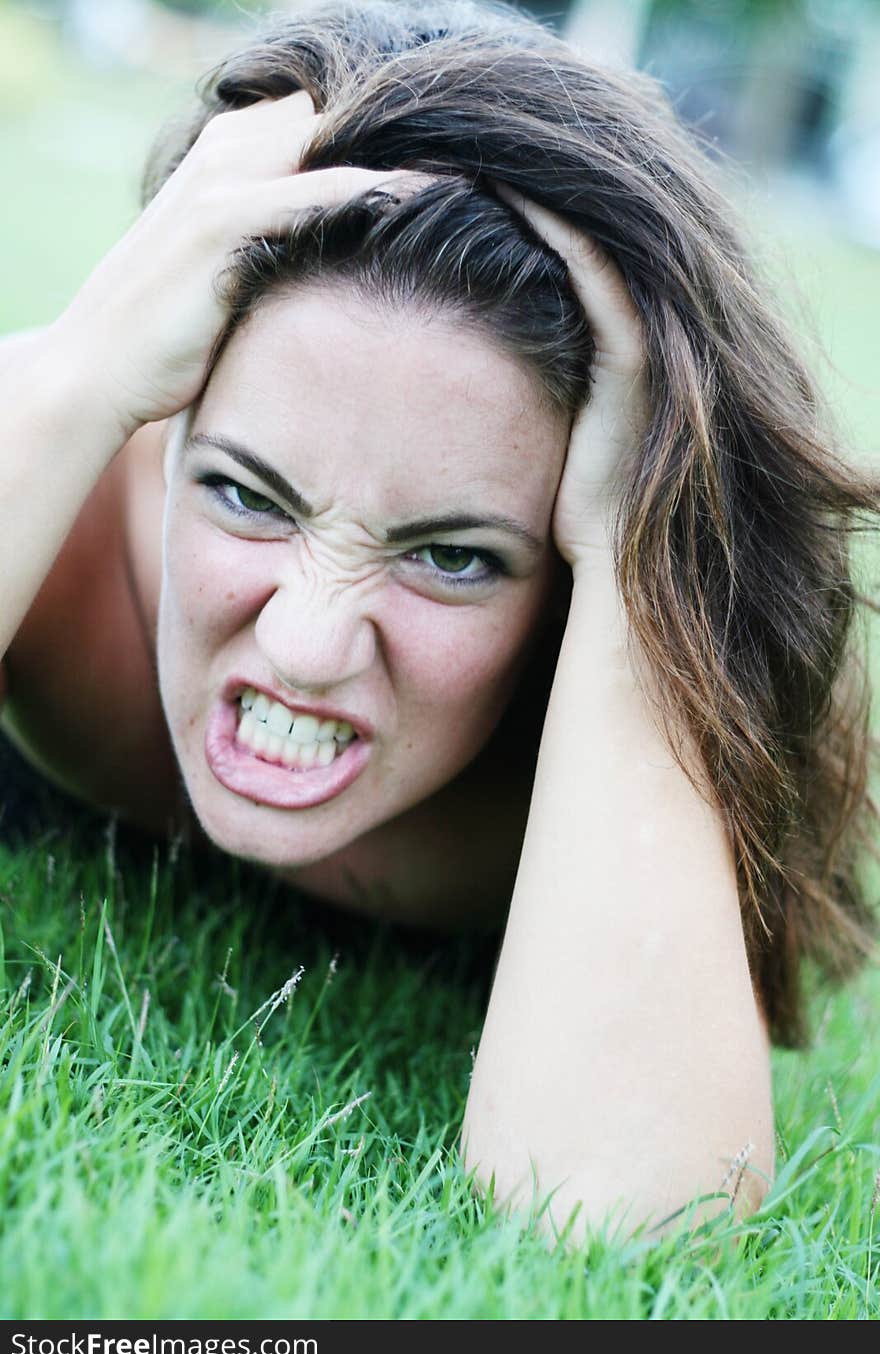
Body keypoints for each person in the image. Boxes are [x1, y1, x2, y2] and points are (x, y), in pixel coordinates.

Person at [1, 0, 877, 1242]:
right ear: (167, 408)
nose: (305, 645)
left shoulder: (627, 690)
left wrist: (641, 553)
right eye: (246, 495)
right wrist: (80, 366)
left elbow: (626, 1215)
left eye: (454, 558)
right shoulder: (59, 484)